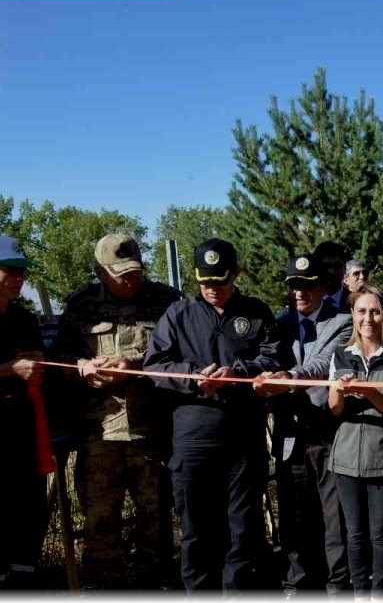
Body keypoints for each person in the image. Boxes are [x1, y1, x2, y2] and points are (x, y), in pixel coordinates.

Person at [145, 238, 283, 593]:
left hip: (243, 439)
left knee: (243, 528)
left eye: (220, 281)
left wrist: (238, 372)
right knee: (196, 530)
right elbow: (154, 366)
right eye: (205, 282)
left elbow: (273, 359)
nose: (212, 289)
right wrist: (193, 377)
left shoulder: (256, 312)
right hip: (193, 439)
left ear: (236, 273)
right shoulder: (177, 314)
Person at [51, 233, 181, 589]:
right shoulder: (80, 306)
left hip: (151, 432)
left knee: (155, 522)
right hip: (99, 435)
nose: (130, 279)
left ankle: (152, 586)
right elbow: (55, 361)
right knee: (100, 521)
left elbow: (182, 355)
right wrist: (82, 368)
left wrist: (135, 363)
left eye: (135, 271)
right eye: (120, 272)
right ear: (99, 271)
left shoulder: (168, 301)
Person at [253, 254, 353, 597]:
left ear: (321, 287)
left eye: (306, 285)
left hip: (327, 434)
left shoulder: (342, 322)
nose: (299, 293)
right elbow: (262, 362)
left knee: (333, 520)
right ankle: (297, 585)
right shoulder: (277, 326)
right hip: (289, 436)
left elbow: (325, 365)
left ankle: (337, 586)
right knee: (294, 519)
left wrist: (288, 377)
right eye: (294, 285)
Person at [327, 286, 383, 600]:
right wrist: (337, 389)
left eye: (375, 311)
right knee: (355, 534)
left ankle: (380, 593)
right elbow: (335, 409)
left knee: (380, 533)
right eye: (361, 311)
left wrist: (367, 391)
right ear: (353, 314)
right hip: (345, 459)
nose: (368, 318)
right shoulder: (340, 354)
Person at [0, 236, 53, 591]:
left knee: (30, 516)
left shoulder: (25, 318)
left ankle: (24, 585)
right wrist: (10, 369)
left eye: (22, 271)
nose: (18, 278)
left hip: (27, 430)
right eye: (8, 270)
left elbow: (37, 365)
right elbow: (13, 367)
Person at [315, 241, 352, 312]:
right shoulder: (306, 301)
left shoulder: (355, 301)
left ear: (345, 268)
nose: (332, 271)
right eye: (326, 266)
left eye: (337, 266)